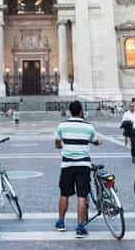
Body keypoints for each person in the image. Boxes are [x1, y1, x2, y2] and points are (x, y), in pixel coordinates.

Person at [54, 100, 99, 238]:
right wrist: (93, 141)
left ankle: (61, 222)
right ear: (81, 112)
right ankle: (80, 227)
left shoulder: (62, 125)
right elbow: (95, 141)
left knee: (64, 194)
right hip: (83, 165)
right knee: (82, 195)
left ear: (70, 111)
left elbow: (57, 143)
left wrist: (62, 146)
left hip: (67, 165)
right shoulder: (88, 127)